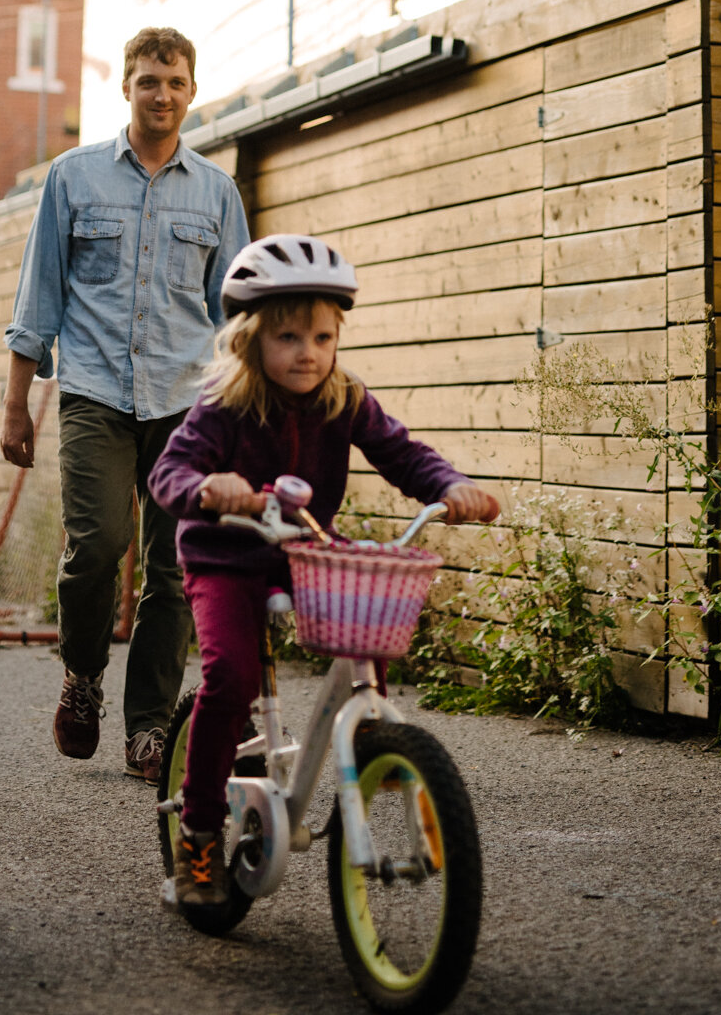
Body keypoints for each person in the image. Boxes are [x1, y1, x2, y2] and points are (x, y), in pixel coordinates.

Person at [148, 233, 501, 906]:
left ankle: (370, 747)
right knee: (231, 678)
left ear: (337, 339)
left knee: (367, 619)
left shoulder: (346, 400)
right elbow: (170, 470)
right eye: (287, 337)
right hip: (224, 556)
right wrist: (206, 487)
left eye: (320, 336)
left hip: (302, 552)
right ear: (252, 340)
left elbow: (404, 454)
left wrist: (449, 487)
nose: (306, 352)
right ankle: (196, 838)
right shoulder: (226, 404)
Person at [0, 26, 250, 782]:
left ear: (192, 91)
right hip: (96, 395)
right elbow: (38, 294)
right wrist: (16, 403)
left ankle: (148, 728)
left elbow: (236, 312)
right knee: (98, 548)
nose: (162, 95)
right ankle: (82, 678)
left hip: (183, 404)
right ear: (128, 89)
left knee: (174, 569)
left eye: (174, 83)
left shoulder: (216, 191)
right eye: (148, 81)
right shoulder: (74, 177)